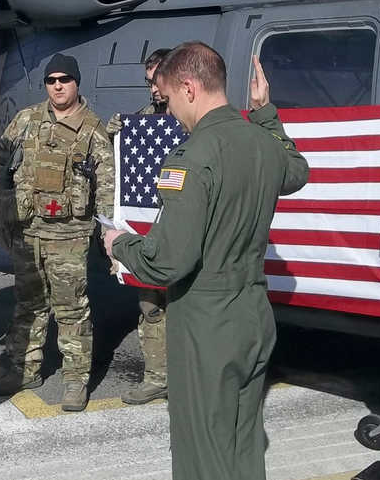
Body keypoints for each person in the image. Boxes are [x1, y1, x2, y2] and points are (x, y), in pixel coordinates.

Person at [103, 43, 308, 480]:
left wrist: (120, 244)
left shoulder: (193, 157)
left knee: (203, 451)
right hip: (254, 311)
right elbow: (296, 171)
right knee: (243, 438)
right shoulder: (261, 141)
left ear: (190, 88)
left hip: (206, 319)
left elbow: (166, 262)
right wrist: (266, 111)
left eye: (172, 100)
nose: (173, 113)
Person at [0, 53, 115, 411]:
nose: (57, 85)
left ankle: (75, 380)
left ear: (76, 82)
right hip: (29, 233)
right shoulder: (26, 120)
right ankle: (24, 369)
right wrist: (0, 206)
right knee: (28, 305)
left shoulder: (92, 129)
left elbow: (106, 185)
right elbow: (0, 160)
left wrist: (108, 231)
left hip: (69, 236)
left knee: (71, 309)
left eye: (64, 79)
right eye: (51, 80)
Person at [105, 47, 172, 405]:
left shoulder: (197, 117)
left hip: (184, 227)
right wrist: (115, 136)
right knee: (150, 304)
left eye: (158, 81)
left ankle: (192, 376)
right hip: (151, 227)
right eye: (149, 82)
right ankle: (157, 376)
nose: (153, 90)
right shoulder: (143, 119)